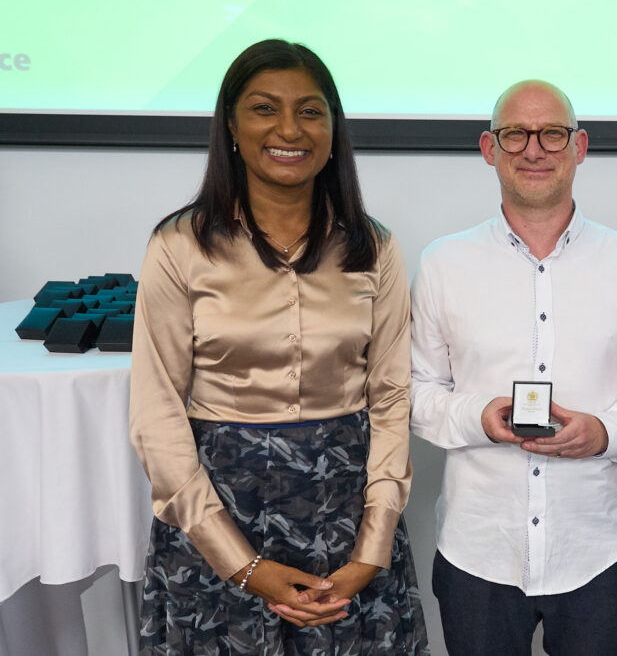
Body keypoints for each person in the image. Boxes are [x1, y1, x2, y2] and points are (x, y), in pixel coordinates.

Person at [129, 39, 428, 655]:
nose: (289, 129)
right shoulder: (180, 246)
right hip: (218, 517)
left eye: (311, 111)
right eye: (265, 108)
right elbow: (156, 413)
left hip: (347, 519)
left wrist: (371, 550)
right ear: (232, 126)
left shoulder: (374, 247)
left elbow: (393, 398)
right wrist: (242, 565)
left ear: (333, 128)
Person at [409, 80, 617, 656]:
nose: (535, 149)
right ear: (489, 148)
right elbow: (416, 393)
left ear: (579, 146)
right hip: (478, 550)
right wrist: (480, 418)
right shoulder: (442, 264)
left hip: (595, 552)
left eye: (552, 133)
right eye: (516, 135)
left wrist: (604, 432)